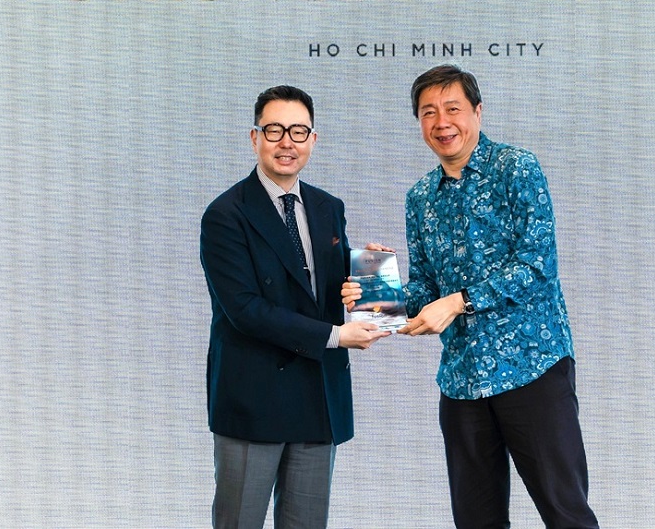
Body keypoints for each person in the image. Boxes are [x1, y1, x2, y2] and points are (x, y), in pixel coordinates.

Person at [344, 65, 598, 529]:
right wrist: (378, 290)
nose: (442, 122)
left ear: (477, 112)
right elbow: (426, 289)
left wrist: (459, 301)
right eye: (428, 113)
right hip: (462, 381)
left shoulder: (516, 168)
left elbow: (536, 264)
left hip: (532, 367)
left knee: (567, 515)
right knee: (475, 522)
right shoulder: (420, 197)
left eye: (453, 109)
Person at [201, 85, 387, 529]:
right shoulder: (225, 214)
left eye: (299, 131)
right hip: (253, 398)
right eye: (275, 130)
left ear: (313, 139)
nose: (287, 142)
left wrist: (370, 273)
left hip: (317, 395)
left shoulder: (328, 207)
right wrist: (336, 336)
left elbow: (324, 285)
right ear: (255, 138)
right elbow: (244, 309)